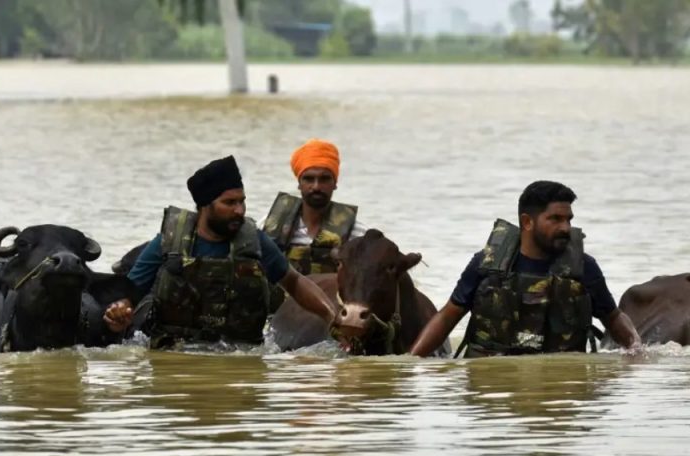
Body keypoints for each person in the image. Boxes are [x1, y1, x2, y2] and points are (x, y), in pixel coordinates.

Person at [102, 155, 351, 349]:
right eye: (229, 203)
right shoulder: (169, 241)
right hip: (175, 352)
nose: (240, 210)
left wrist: (332, 317)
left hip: (240, 350)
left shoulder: (255, 240)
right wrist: (118, 312)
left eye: (242, 201)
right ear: (204, 206)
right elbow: (129, 292)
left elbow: (294, 282)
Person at [409, 180, 640, 357]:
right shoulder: (486, 265)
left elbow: (613, 317)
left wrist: (637, 353)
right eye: (555, 219)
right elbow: (448, 316)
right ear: (527, 222)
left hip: (559, 385)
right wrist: (412, 361)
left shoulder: (584, 268)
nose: (565, 227)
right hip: (494, 384)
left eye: (568, 219)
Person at [261, 139, 366, 276]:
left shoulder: (357, 234)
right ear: (299, 184)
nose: (316, 186)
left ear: (335, 183)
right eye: (309, 179)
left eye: (324, 179)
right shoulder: (268, 226)